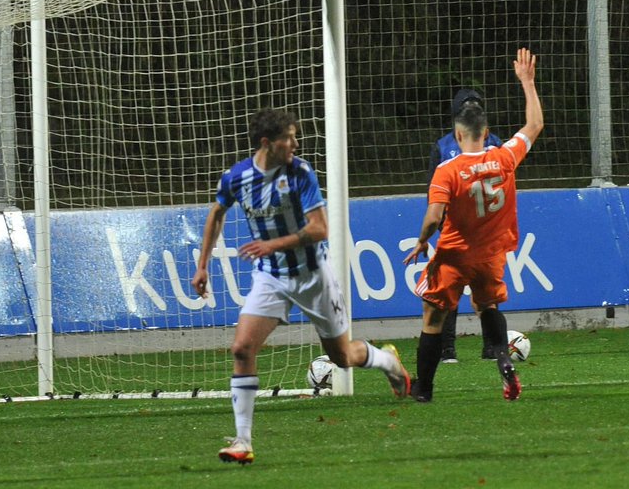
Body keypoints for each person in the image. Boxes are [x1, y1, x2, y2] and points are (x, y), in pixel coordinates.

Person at [192, 107, 411, 464]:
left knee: (342, 357)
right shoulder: (237, 178)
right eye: (288, 138)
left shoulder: (300, 173)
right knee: (242, 349)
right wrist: (202, 265)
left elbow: (320, 228)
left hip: (313, 275)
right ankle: (243, 442)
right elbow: (216, 213)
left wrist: (272, 244)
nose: (295, 143)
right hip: (271, 277)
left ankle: (387, 361)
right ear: (268, 143)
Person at [402, 48, 543, 403]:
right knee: (488, 308)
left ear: (457, 132)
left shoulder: (447, 170)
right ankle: (503, 363)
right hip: (491, 255)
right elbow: (534, 125)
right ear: (487, 131)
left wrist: (421, 241)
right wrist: (527, 82)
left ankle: (424, 388)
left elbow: (434, 217)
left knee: (432, 317)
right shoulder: (504, 156)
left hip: (454, 255)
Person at [428, 88, 503, 364]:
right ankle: (448, 349)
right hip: (458, 229)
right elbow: (432, 190)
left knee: (485, 293)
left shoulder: (494, 142)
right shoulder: (443, 145)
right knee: (453, 291)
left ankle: (491, 347)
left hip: (484, 232)